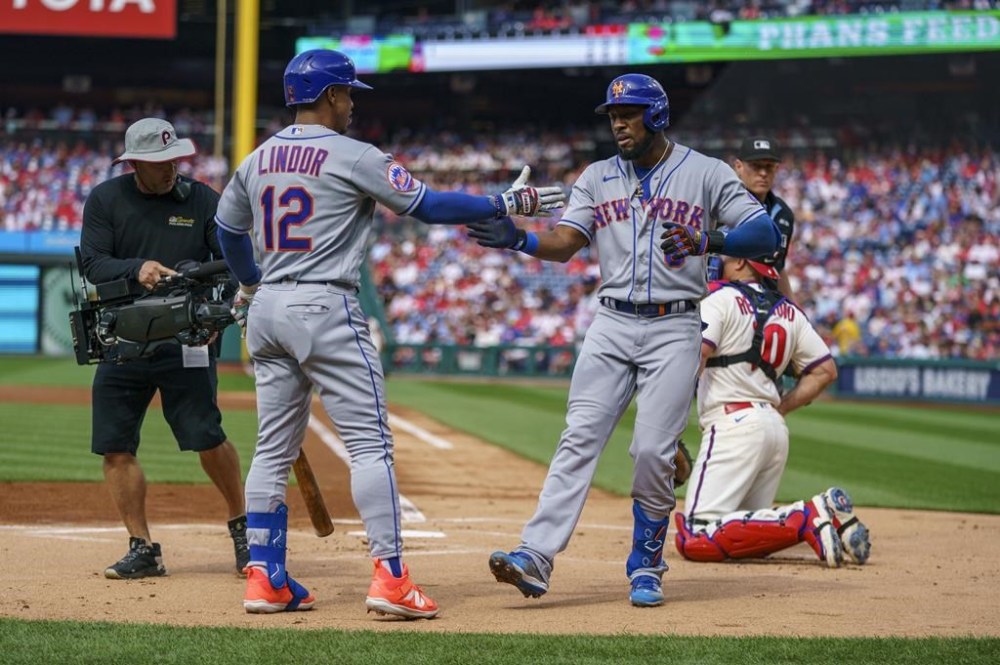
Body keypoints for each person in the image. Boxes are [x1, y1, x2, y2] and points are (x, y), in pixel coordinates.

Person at [214, 49, 564, 617]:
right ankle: (392, 579)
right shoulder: (354, 154)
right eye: (348, 93)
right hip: (325, 303)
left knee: (272, 451)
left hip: (269, 307)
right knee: (370, 446)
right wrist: (506, 201)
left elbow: (228, 231)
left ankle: (265, 578)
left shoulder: (255, 160)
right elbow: (427, 206)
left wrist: (251, 283)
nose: (352, 103)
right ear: (330, 96)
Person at [466, 73, 780, 607]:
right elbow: (567, 241)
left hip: (675, 324)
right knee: (578, 439)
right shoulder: (596, 176)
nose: (617, 123)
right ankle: (535, 556)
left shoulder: (703, 172)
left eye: (628, 114)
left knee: (654, 453)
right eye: (613, 115)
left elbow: (766, 235)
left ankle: (647, 563)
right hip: (611, 322)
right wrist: (519, 238)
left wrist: (709, 238)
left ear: (655, 116)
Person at [80, 117, 248, 580]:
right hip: (122, 338)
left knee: (206, 436)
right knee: (115, 446)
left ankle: (243, 530)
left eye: (175, 158)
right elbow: (94, 264)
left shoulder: (203, 200)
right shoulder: (105, 199)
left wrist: (215, 314)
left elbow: (233, 265)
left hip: (186, 338)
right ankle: (142, 547)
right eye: (159, 162)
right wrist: (138, 268)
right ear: (134, 163)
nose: (171, 167)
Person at [673, 255, 871, 567]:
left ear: (741, 263)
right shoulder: (789, 311)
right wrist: (781, 409)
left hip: (732, 424)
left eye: (725, 258)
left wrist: (668, 426)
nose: (718, 263)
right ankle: (829, 518)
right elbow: (826, 372)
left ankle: (807, 516)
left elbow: (694, 357)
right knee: (750, 530)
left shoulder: (720, 298)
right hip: (774, 428)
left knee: (695, 536)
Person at [733, 136, 796, 297]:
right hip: (724, 301)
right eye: (756, 166)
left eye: (769, 167)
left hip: (766, 305)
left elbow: (778, 267)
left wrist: (795, 310)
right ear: (738, 166)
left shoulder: (783, 213)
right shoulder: (719, 206)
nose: (763, 173)